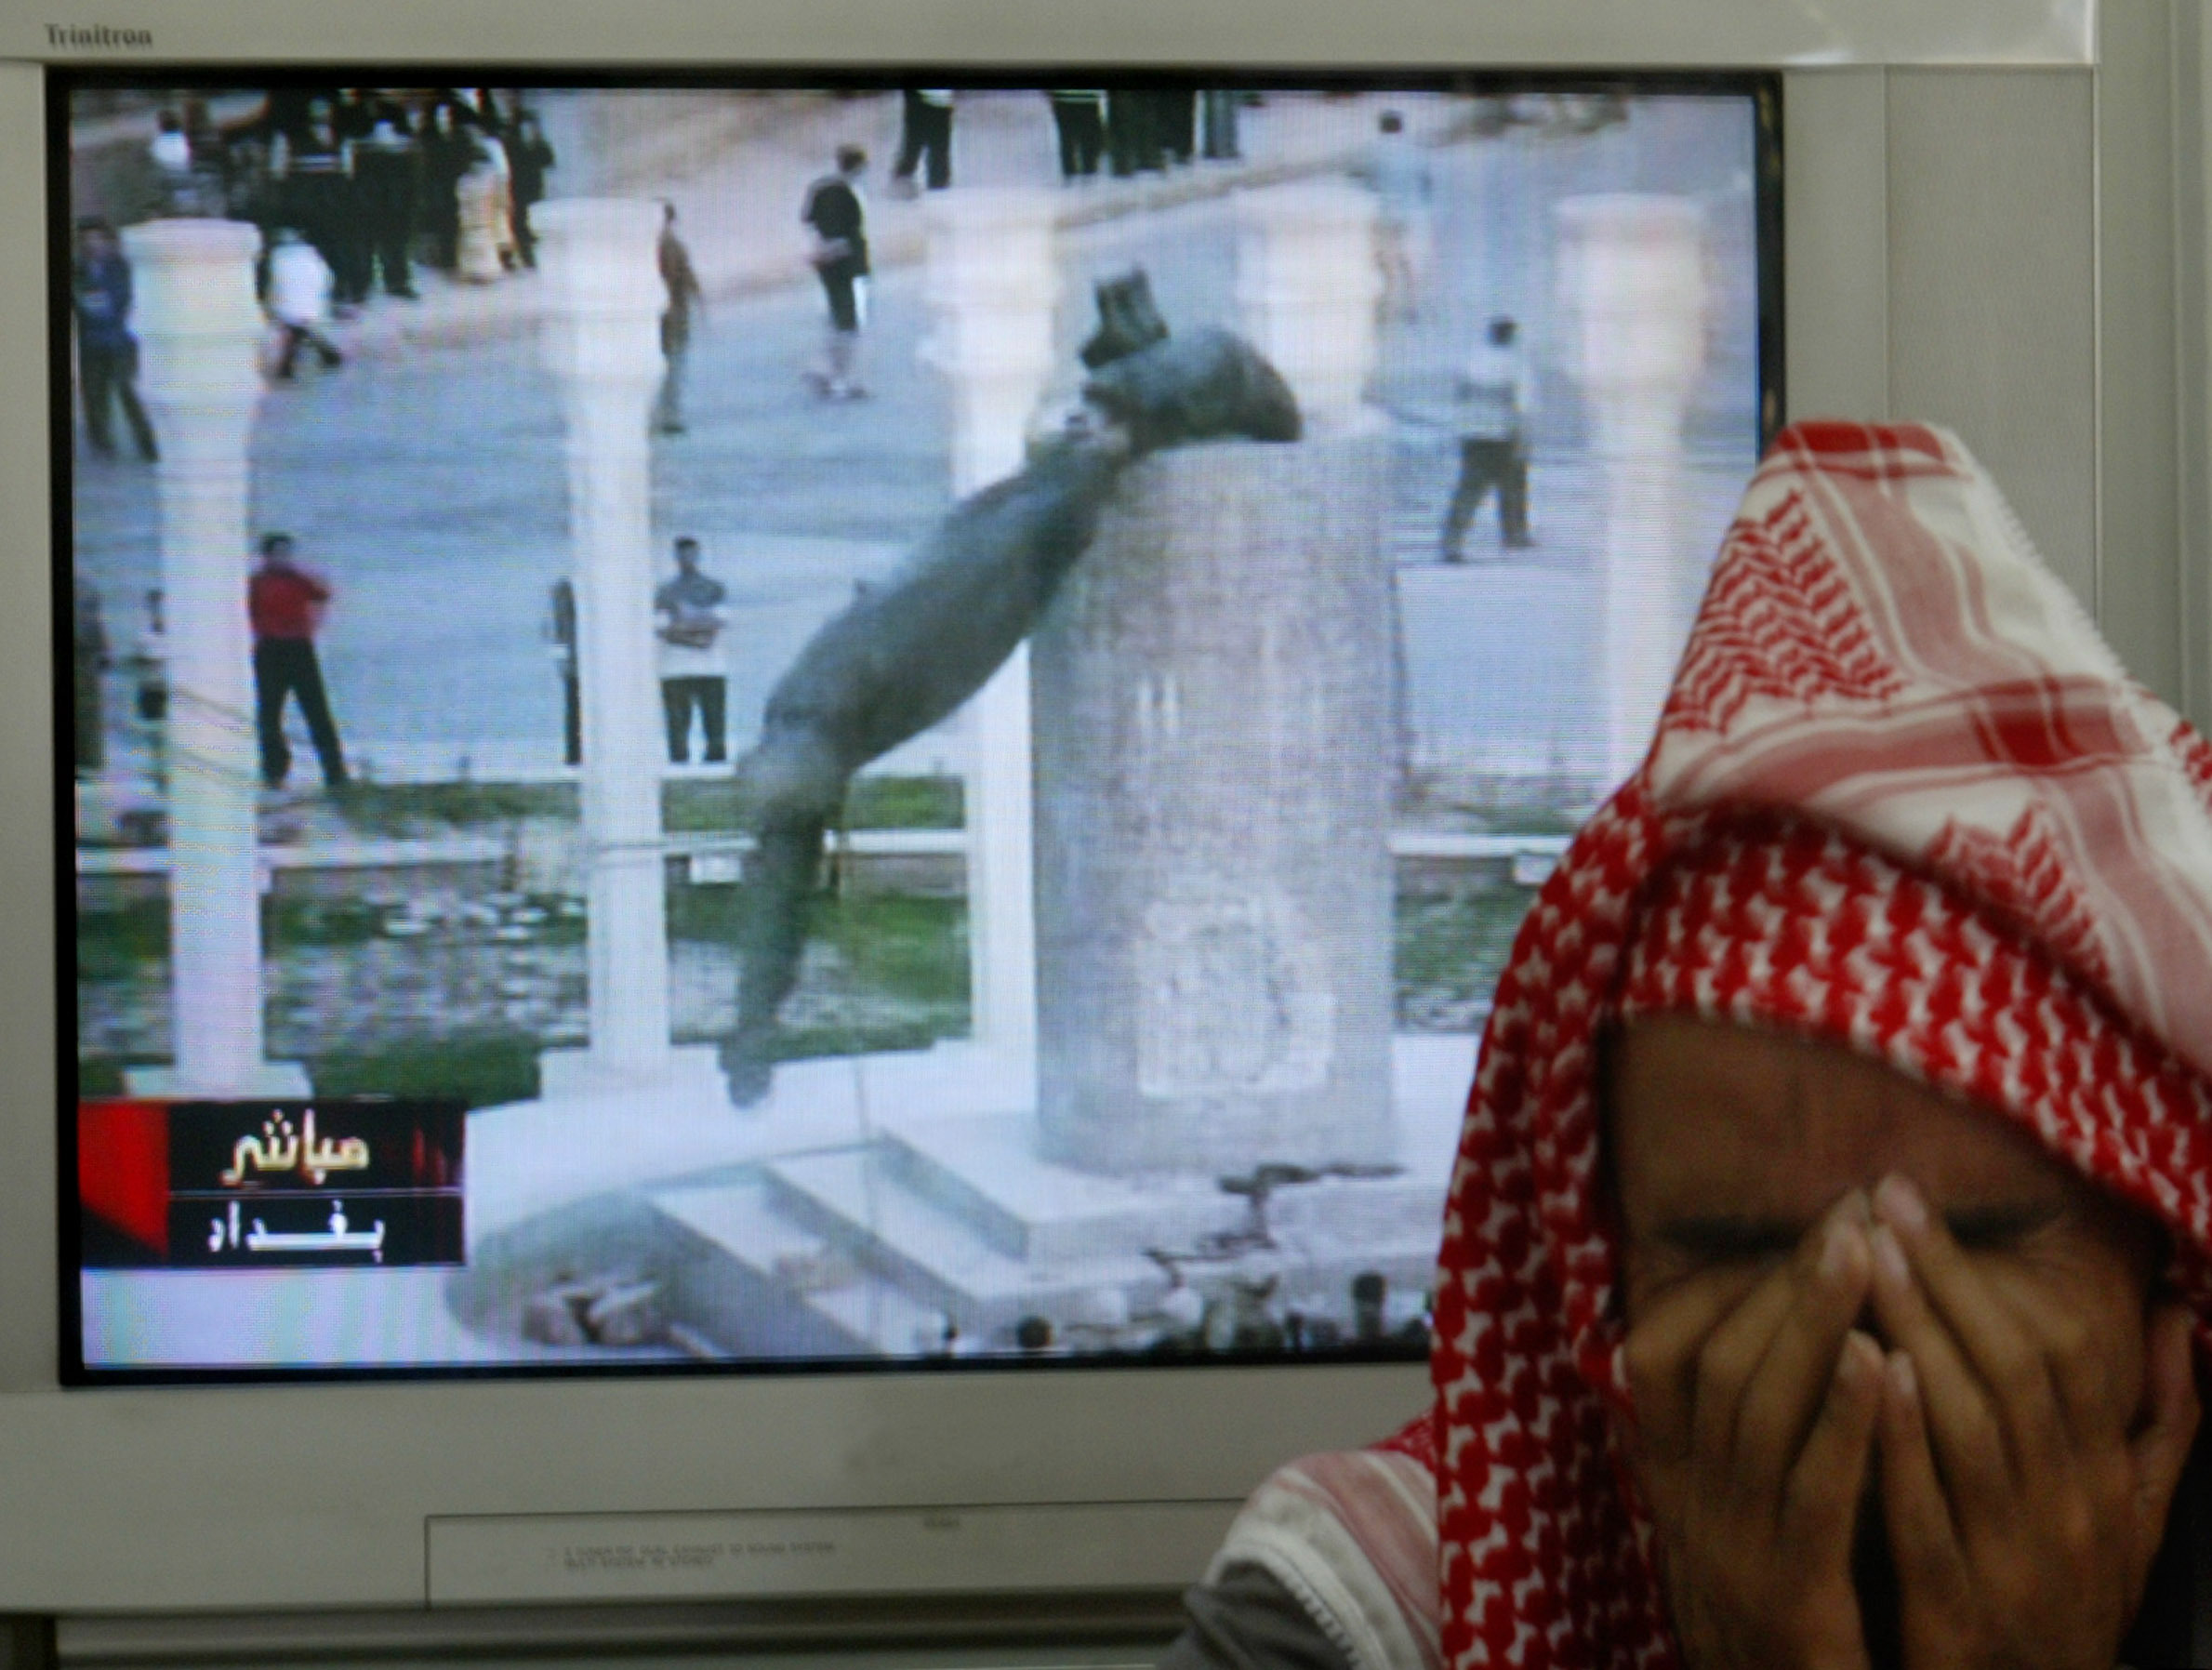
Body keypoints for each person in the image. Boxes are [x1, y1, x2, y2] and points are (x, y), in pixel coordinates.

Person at [1158, 421, 2212, 1670]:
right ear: (1601, 1286)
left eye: (1975, 1242)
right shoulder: (1368, 1607)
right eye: (1737, 1253)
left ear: (2164, 1264)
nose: (1857, 1353)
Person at [248, 533, 348, 790]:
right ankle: (274, 770)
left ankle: (335, 772)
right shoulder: (256, 583)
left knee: (316, 710)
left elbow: (323, 595)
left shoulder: (299, 580)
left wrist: (314, 626)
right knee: (270, 713)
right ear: (267, 556)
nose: (283, 558)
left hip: (299, 646)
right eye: (278, 553)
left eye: (286, 553)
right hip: (270, 648)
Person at [1437, 315, 1532, 558]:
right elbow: (1525, 405)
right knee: (1512, 482)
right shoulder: (1517, 364)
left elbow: (1458, 397)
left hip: (1472, 433)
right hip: (1502, 435)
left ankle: (1452, 538)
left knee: (1469, 487)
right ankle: (1514, 533)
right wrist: (1523, 438)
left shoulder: (1472, 360)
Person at [71, 219, 158, 463]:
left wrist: (104, 305)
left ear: (108, 242)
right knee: (94, 396)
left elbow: (126, 297)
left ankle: (147, 445)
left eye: (97, 239)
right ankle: (102, 445)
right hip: (91, 342)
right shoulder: (77, 270)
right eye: (87, 240)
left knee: (129, 392)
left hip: (120, 340)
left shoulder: (120, 267)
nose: (92, 244)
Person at [801, 145, 871, 402]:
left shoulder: (820, 188)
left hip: (826, 263)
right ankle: (838, 379)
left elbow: (807, 220)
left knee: (836, 318)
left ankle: (825, 370)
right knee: (848, 322)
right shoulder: (846, 194)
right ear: (858, 167)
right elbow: (847, 232)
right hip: (845, 264)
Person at [656, 537, 728, 765]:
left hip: (711, 668)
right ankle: (678, 766)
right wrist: (698, 631)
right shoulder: (665, 592)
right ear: (676, 557)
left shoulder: (714, 589)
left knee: (715, 725)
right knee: (677, 729)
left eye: (692, 554)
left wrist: (681, 626)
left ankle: (715, 766)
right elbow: (662, 630)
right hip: (675, 669)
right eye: (683, 554)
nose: (688, 559)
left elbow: (716, 626)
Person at [1357, 110, 1432, 322]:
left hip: (1385, 214)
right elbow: (1426, 183)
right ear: (1401, 127)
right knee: (1409, 260)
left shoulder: (1374, 151)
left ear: (1381, 127)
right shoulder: (1416, 149)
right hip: (1411, 214)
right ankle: (1412, 305)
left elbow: (1367, 182)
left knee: (1384, 261)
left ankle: (1387, 305)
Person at [654, 202, 704, 435]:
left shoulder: (651, 246)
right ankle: (667, 415)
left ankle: (662, 414)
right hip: (672, 315)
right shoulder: (671, 246)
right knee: (670, 367)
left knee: (665, 367)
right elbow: (687, 277)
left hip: (665, 316)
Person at [506, 110, 556, 270]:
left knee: (520, 215)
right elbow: (546, 160)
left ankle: (522, 247)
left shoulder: (527, 143)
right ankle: (525, 254)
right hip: (519, 185)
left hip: (524, 185)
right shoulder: (515, 143)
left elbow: (547, 161)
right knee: (519, 217)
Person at [72, 579, 106, 781]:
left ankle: (87, 762)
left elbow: (104, 654)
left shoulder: (93, 624)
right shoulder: (91, 624)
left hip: (87, 680)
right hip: (84, 679)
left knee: (87, 724)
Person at [891, 88, 953, 194]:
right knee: (915, 145)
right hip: (923, 99)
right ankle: (902, 183)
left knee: (937, 151)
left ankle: (938, 186)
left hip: (940, 100)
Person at [545, 577, 579, 767]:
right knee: (575, 710)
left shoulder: (561, 611)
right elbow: (558, 635)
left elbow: (556, 635)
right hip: (576, 665)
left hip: (575, 664)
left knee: (574, 710)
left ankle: (574, 755)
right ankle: (574, 754)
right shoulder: (564, 611)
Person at [1047, 89, 1106, 181]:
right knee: (1088, 137)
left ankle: (1070, 173)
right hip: (1087, 98)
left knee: (1067, 138)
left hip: (1064, 99)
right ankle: (1088, 172)